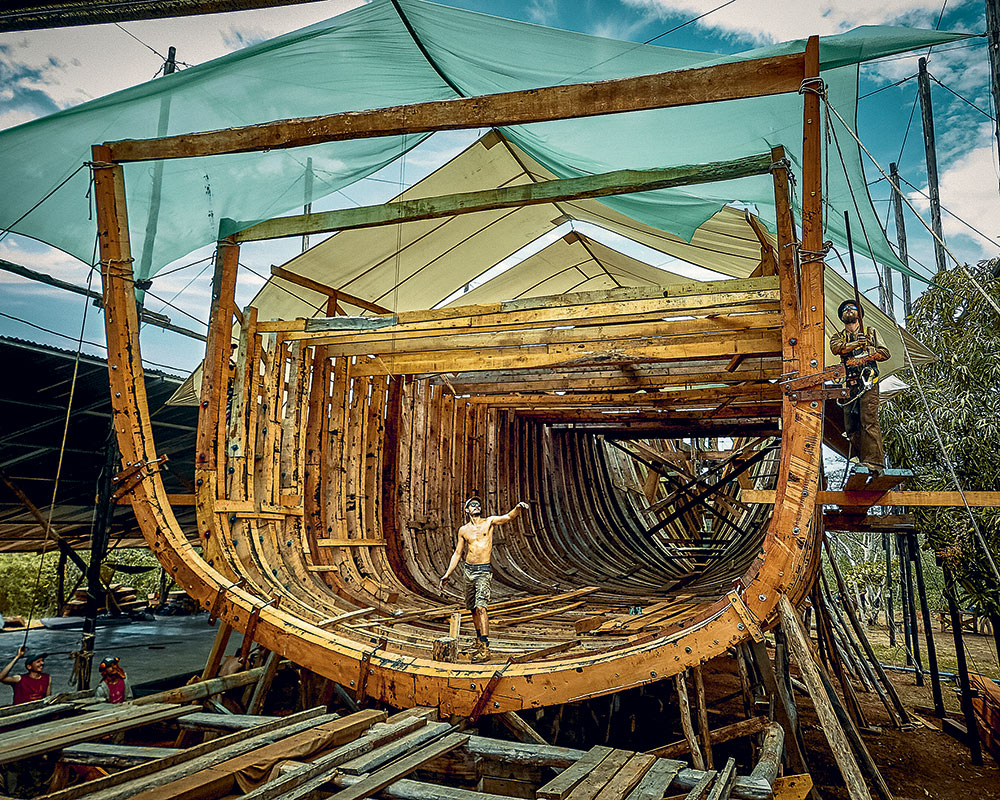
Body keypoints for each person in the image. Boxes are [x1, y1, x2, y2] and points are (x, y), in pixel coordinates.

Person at [440, 497, 529, 663]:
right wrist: (447, 574)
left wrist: (517, 507)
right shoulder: (463, 530)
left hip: (483, 571)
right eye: (473, 505)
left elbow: (508, 517)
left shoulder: (489, 522)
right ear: (467, 510)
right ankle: (479, 639)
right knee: (473, 608)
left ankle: (486, 648)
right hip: (469, 571)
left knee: (481, 607)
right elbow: (458, 553)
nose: (476, 506)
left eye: (478, 504)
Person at [830, 300, 890, 473]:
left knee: (868, 421)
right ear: (842, 316)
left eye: (853, 308)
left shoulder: (870, 332)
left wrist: (871, 351)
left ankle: (875, 462)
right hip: (850, 384)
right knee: (850, 427)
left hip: (868, 382)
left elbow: (884, 353)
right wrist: (856, 343)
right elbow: (837, 348)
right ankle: (862, 459)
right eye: (845, 310)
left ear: (859, 315)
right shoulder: (839, 336)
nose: (849, 311)